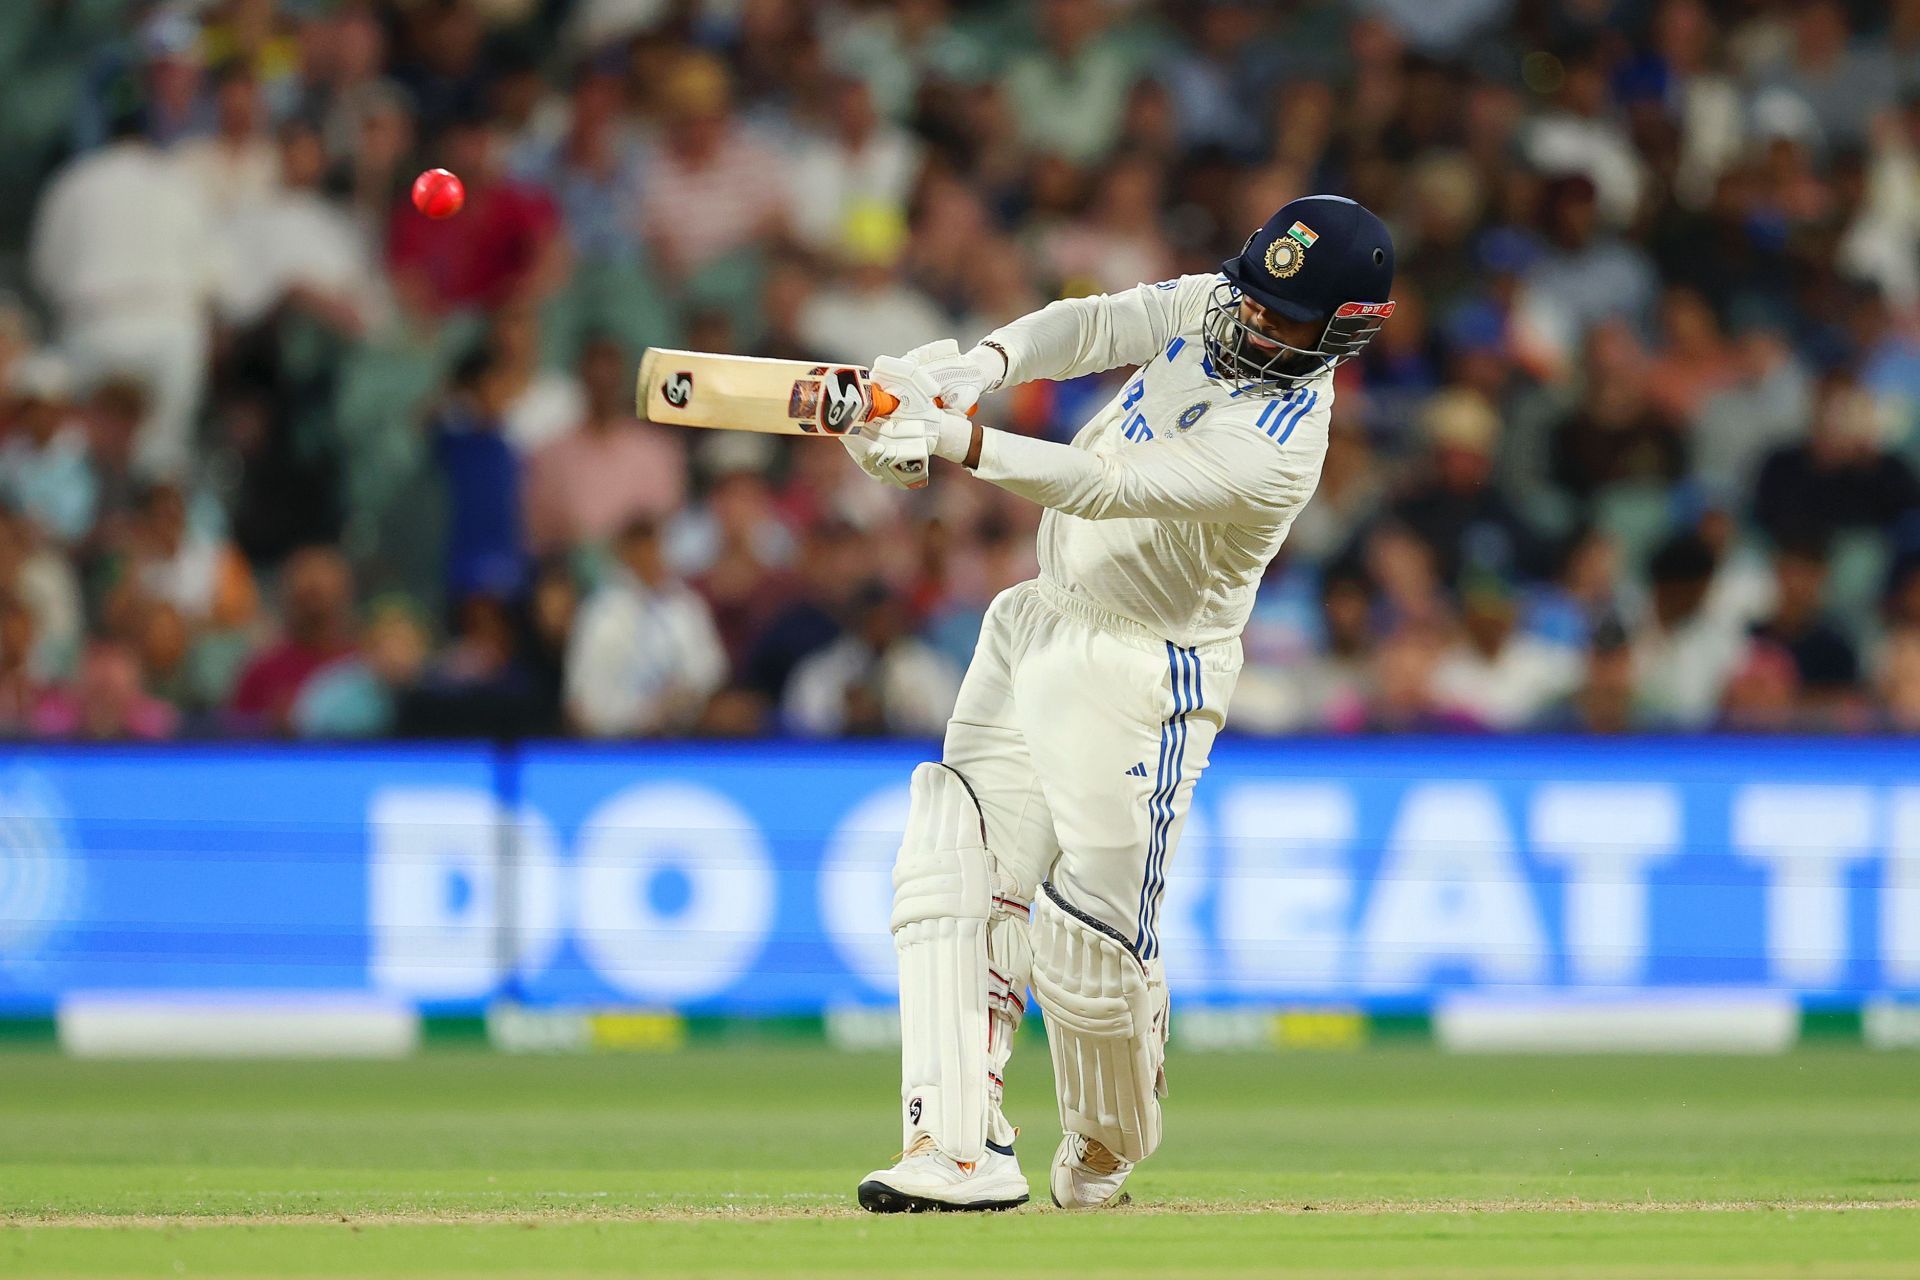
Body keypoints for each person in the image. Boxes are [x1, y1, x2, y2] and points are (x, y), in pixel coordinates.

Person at [841, 196, 1394, 1212]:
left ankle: (1104, 1151)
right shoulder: (1214, 303)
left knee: (1090, 950)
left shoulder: (1280, 445)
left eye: (1287, 317)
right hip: (1041, 617)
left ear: (1342, 331)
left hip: (1146, 670)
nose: (1254, 322)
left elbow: (1101, 482)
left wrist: (961, 442)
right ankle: (957, 1147)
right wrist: (981, 367)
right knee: (955, 863)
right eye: (1256, 297)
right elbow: (1091, 324)